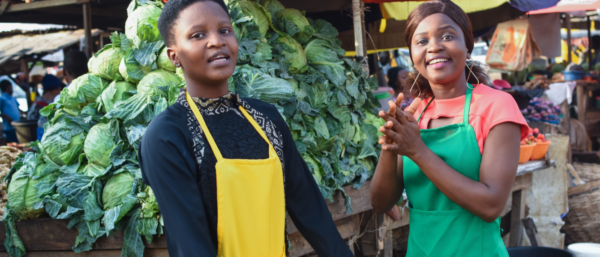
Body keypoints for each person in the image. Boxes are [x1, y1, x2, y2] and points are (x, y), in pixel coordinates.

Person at [138, 1, 353, 256]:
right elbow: (190, 244)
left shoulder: (267, 118)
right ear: (174, 56)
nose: (217, 41)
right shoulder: (166, 136)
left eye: (225, 30)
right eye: (198, 35)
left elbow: (310, 209)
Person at [370, 1, 528, 256]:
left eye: (447, 36)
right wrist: (391, 145)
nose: (434, 46)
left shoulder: (497, 106)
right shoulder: (415, 112)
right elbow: (381, 203)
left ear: (467, 46)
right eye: (421, 41)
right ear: (412, 54)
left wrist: (417, 150)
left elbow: (490, 206)